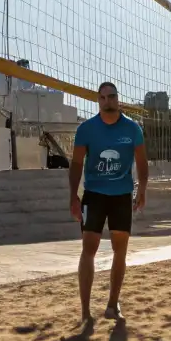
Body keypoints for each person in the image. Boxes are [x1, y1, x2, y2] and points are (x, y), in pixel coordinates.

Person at [69, 81, 148, 322]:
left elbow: (142, 163)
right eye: (103, 98)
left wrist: (142, 189)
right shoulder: (86, 129)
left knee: (120, 250)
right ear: (98, 101)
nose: (107, 101)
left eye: (111, 97)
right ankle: (85, 311)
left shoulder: (132, 129)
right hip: (94, 195)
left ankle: (113, 304)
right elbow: (76, 164)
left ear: (118, 99)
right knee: (88, 249)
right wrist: (73, 195)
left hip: (121, 195)